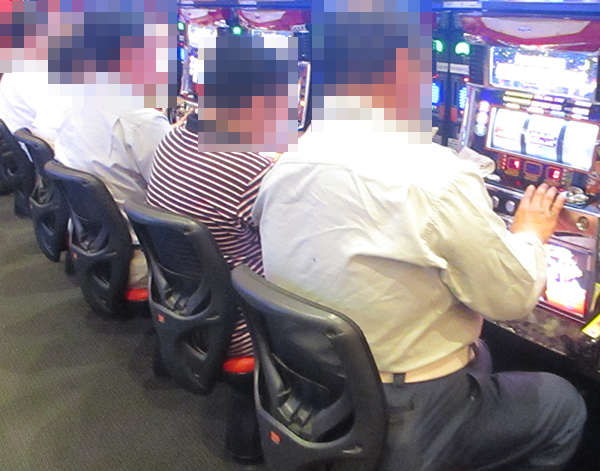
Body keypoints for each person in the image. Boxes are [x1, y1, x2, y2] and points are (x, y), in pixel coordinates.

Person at [252, 8, 587, 471]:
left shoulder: (288, 161)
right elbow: (512, 301)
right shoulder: (437, 177)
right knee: (563, 403)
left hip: (307, 378)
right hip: (408, 403)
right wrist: (530, 231)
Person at [146, 35, 297, 357]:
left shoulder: (172, 137)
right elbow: (295, 244)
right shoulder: (250, 171)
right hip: (244, 325)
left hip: (188, 306)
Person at [54, 108, 171, 290]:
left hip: (91, 239)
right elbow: (179, 192)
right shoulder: (144, 122)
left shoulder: (73, 108)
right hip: (146, 255)